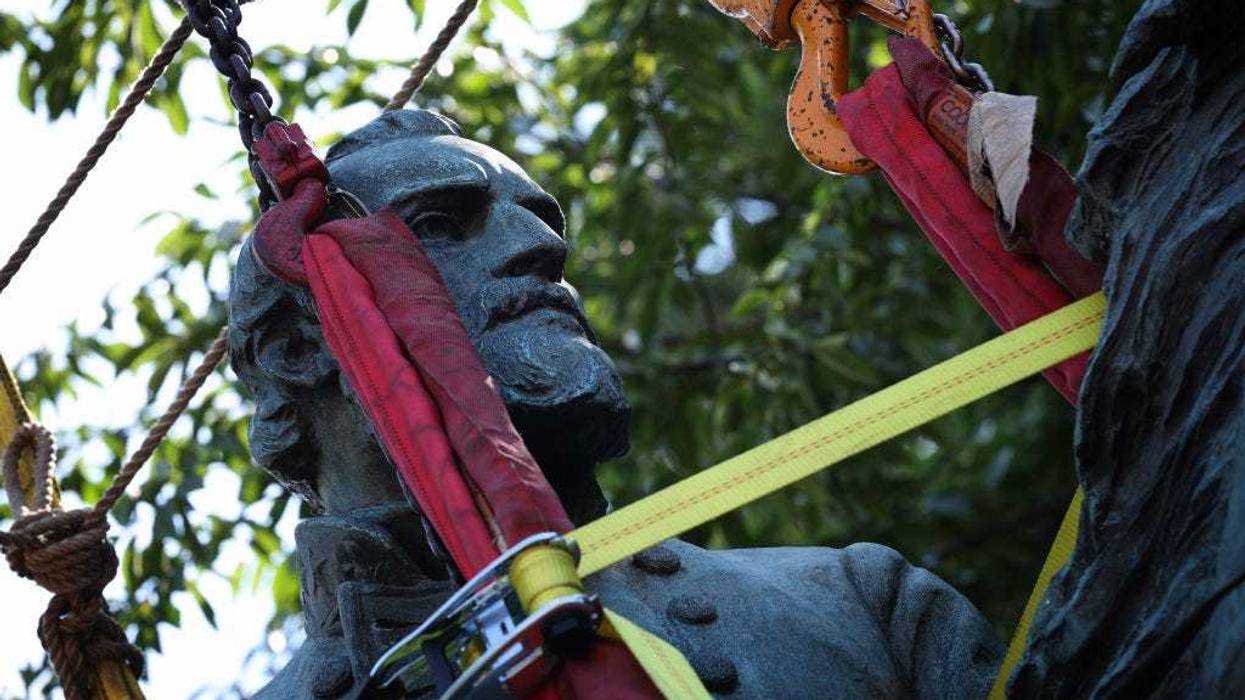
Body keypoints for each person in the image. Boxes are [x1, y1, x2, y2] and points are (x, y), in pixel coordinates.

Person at [230, 109, 1001, 699]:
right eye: (441, 225)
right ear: (296, 348)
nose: (543, 249)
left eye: (537, 219)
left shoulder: (858, 603)